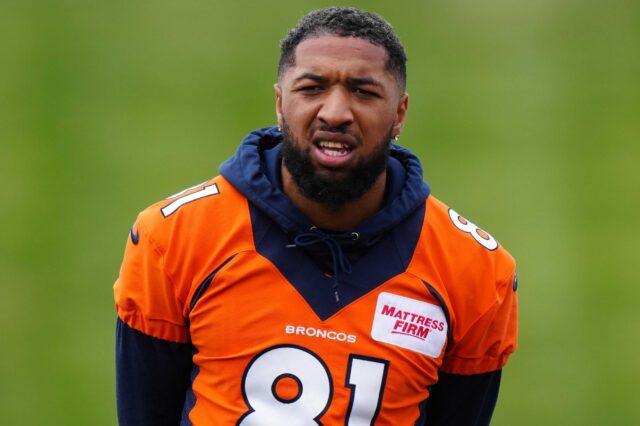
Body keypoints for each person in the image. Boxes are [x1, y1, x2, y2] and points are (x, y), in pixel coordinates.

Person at [114, 6, 518, 425]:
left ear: (399, 113)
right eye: (312, 88)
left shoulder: (476, 271)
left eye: (364, 91)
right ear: (279, 102)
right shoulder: (175, 237)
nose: (336, 112)